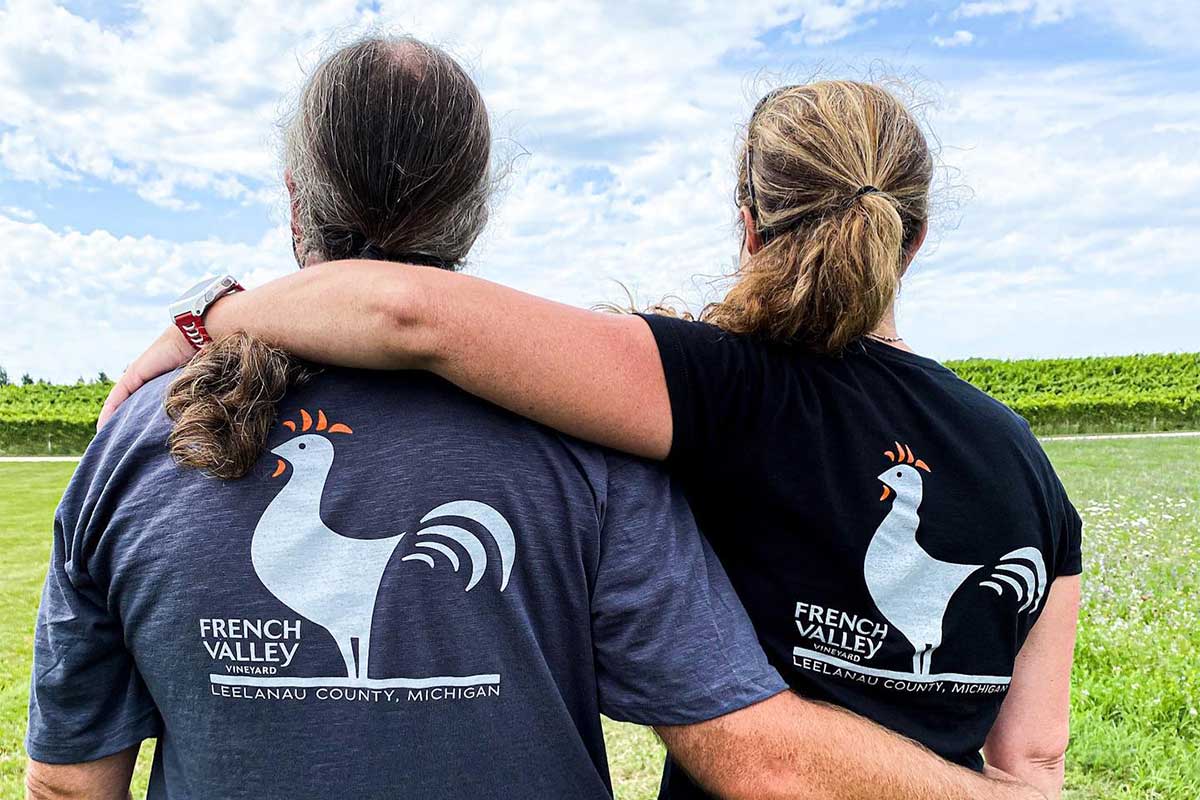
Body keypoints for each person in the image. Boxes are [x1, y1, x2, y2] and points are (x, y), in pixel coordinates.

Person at [28, 36, 1043, 800]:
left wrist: (213, 315)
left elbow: (72, 779)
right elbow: (746, 735)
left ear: (298, 201)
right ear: (474, 205)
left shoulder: (131, 439)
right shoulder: (589, 436)